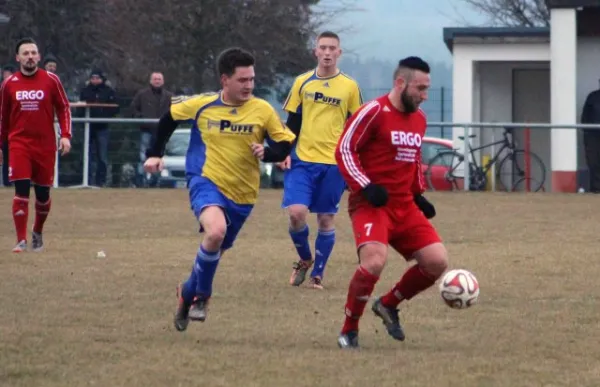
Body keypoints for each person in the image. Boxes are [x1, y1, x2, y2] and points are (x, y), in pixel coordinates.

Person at [143, 47, 296, 331]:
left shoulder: (262, 110)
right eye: (242, 80)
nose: (249, 85)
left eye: (252, 79)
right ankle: (202, 297)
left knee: (214, 248)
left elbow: (285, 142)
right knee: (215, 232)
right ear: (225, 80)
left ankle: (187, 293)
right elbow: (168, 118)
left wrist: (269, 153)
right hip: (206, 180)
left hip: (244, 193)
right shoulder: (202, 104)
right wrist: (154, 153)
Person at [333, 56, 448, 349]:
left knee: (437, 262)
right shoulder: (373, 111)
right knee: (373, 263)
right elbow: (345, 149)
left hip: (404, 205)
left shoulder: (419, 119)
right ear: (400, 83)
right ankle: (349, 330)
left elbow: (412, 159)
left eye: (427, 90)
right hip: (371, 204)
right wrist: (365, 186)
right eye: (420, 89)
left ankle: (388, 304)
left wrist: (419, 194)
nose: (424, 96)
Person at [277, 31, 363, 290]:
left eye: (332, 48)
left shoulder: (349, 86)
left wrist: (353, 164)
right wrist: (283, 152)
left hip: (333, 164)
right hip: (302, 159)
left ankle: (318, 274)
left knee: (326, 219)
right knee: (296, 213)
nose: (327, 52)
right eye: (323, 47)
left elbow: (356, 128)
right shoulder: (302, 82)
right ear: (315, 51)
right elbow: (292, 123)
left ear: (339, 53)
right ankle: (305, 258)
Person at [0, 37, 72, 253]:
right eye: (25, 53)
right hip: (19, 144)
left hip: (45, 145)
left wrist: (65, 135)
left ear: (39, 56)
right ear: (18, 58)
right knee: (21, 191)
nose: (30, 57)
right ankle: (21, 240)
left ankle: (37, 232)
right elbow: (3, 118)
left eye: (33, 53)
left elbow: (64, 108)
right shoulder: (9, 85)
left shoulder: (51, 80)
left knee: (43, 195)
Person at [130, 71, 173, 187]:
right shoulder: (142, 95)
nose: (157, 81)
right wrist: (143, 120)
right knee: (143, 156)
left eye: (159, 79)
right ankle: (142, 181)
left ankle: (156, 181)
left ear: (163, 81)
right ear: (150, 81)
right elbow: (133, 109)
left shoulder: (169, 96)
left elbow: (175, 111)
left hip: (163, 132)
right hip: (146, 130)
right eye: (155, 79)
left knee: (159, 157)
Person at [1, 64, 16, 187]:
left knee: (15, 154)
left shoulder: (17, 89)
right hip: (4, 127)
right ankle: (6, 181)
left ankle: (14, 179)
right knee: (5, 154)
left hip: (14, 127)